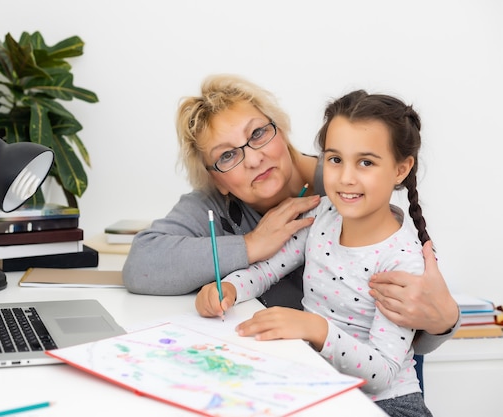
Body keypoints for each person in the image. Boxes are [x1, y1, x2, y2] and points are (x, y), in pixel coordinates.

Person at [122, 74, 459, 355]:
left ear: (280, 130)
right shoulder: (213, 204)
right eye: (227, 156)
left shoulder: (348, 188)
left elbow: (406, 341)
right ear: (215, 179)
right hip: (292, 366)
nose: (253, 159)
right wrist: (252, 245)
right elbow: (141, 266)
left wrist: (444, 320)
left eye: (257, 134)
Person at [195, 90, 435, 415]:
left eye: (365, 162)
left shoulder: (402, 258)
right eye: (335, 160)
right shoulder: (324, 215)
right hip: (318, 387)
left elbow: (383, 372)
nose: (346, 178)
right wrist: (230, 288)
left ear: (400, 169)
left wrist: (314, 328)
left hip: (385, 404)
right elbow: (268, 270)